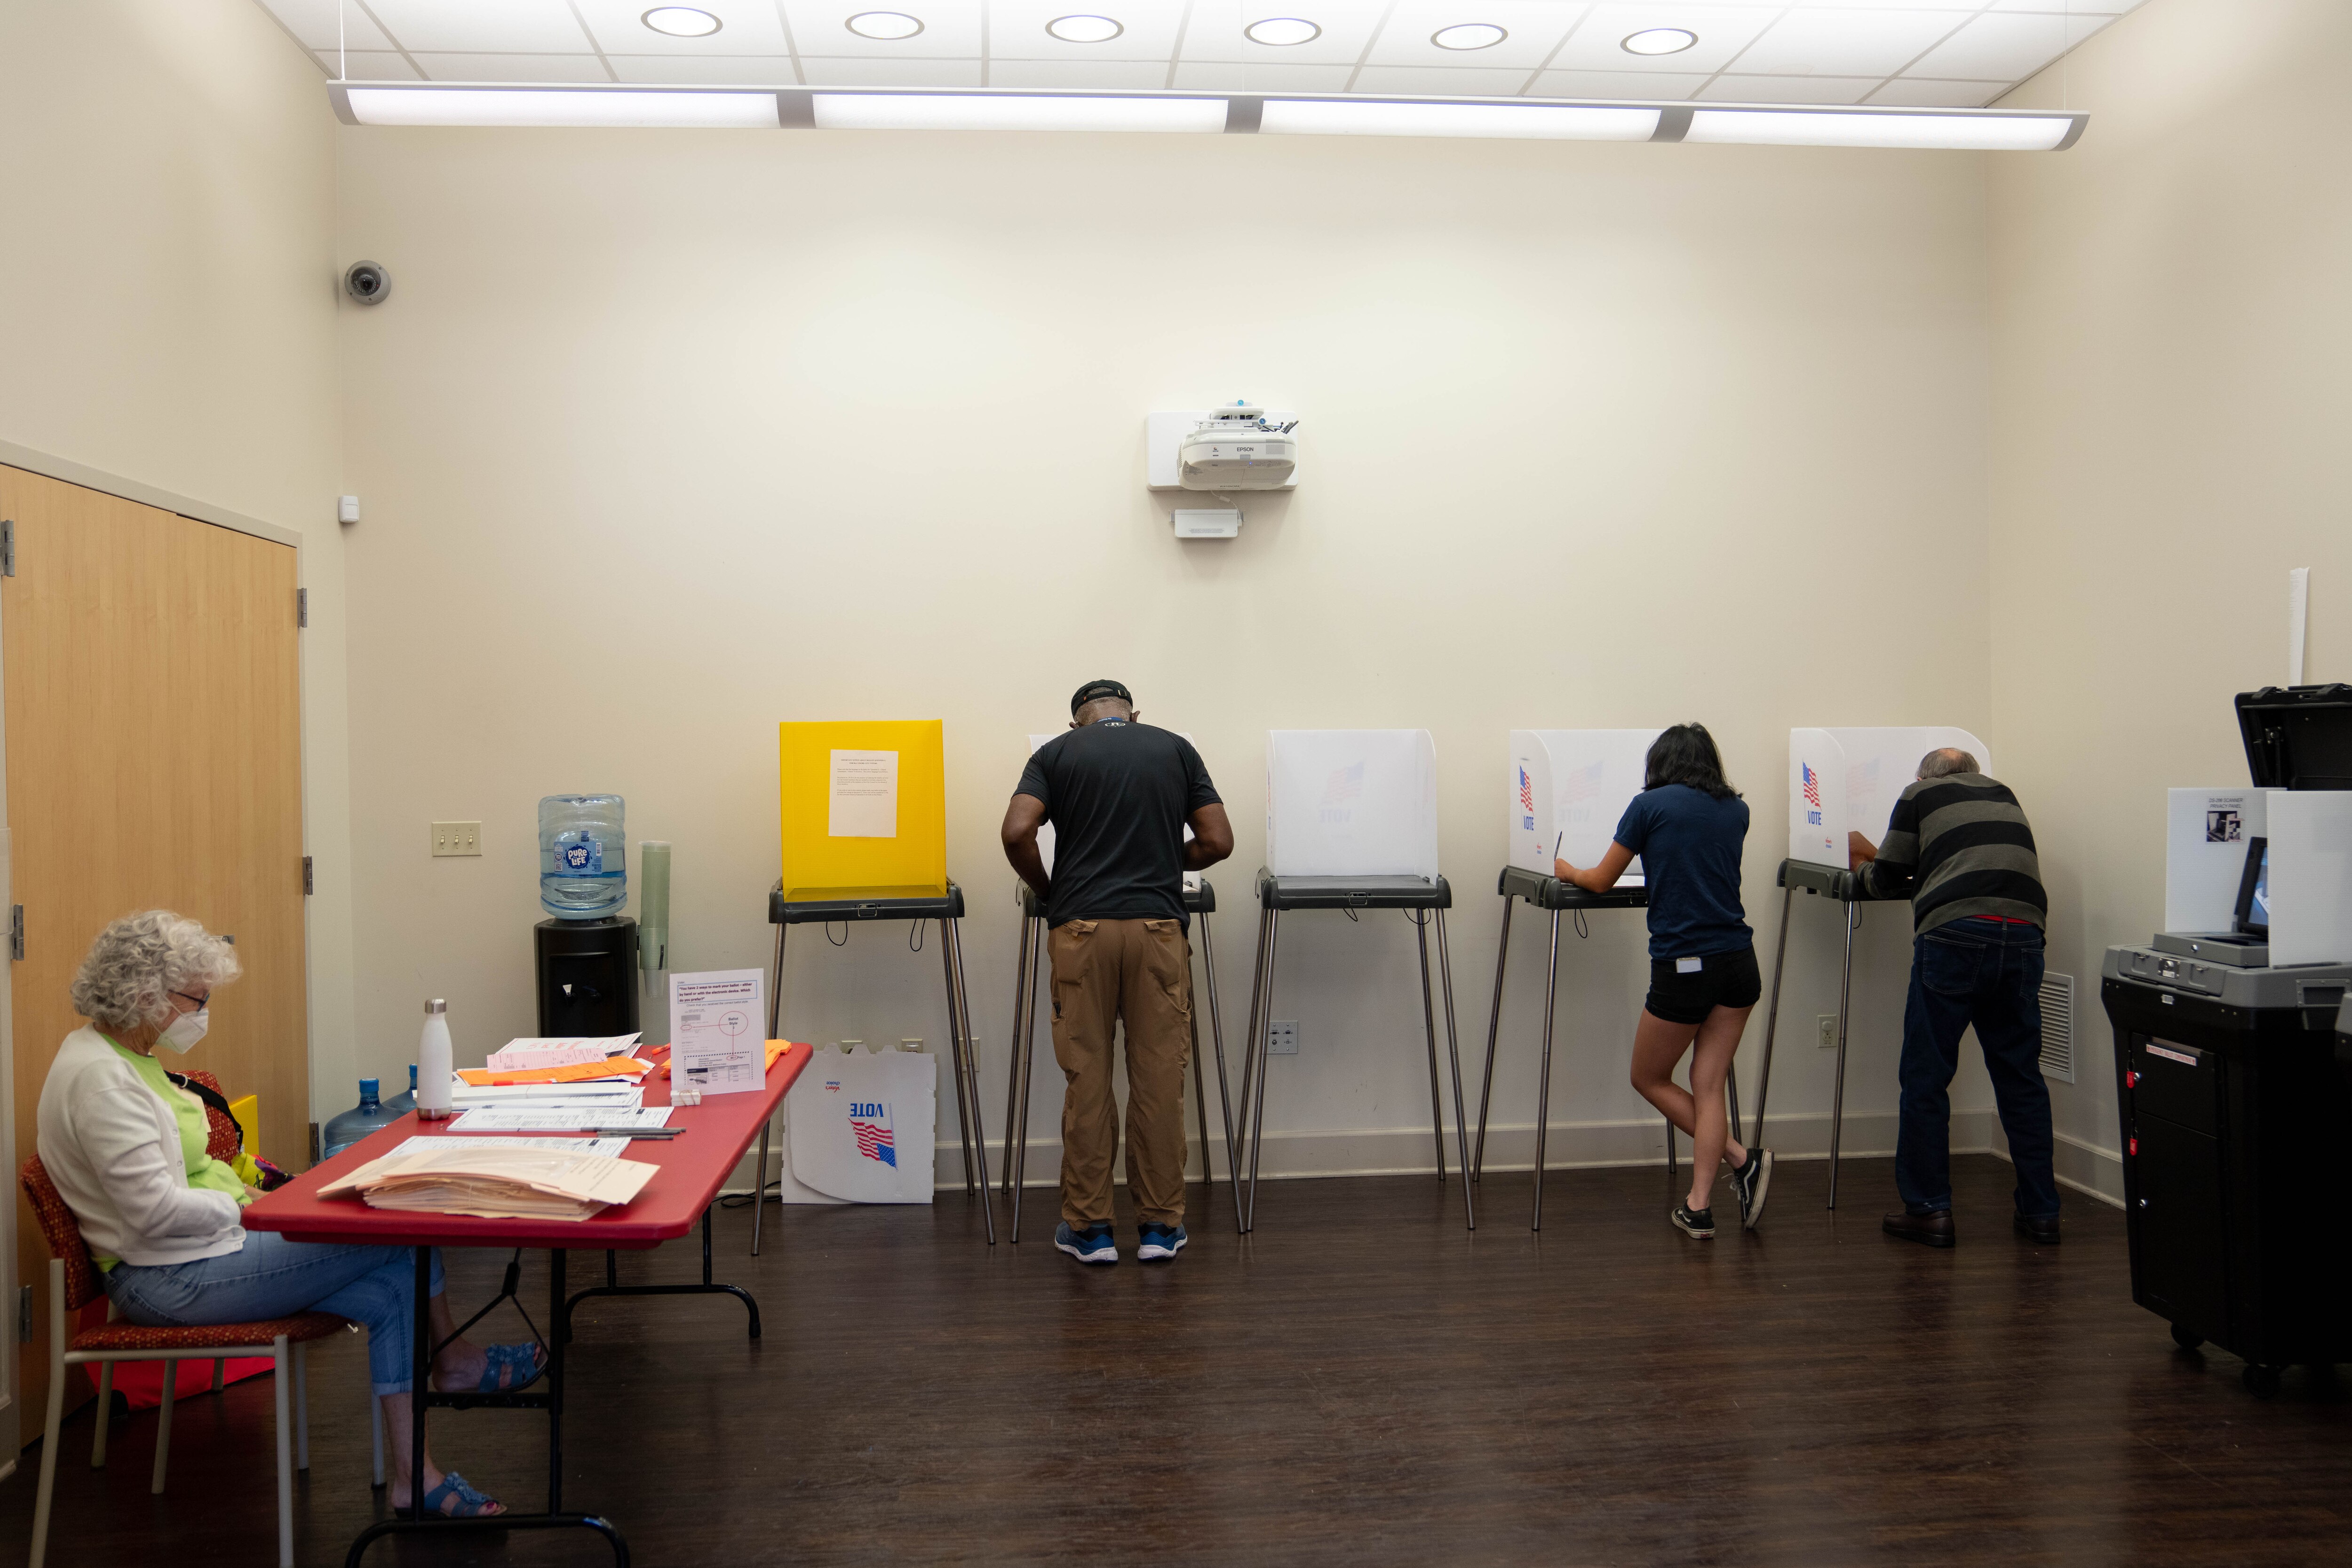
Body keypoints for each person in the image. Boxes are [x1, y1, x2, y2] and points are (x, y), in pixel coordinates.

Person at [37, 911, 541, 1519]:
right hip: (169, 1277)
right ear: (147, 996)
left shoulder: (123, 1055)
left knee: (390, 1286)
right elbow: (154, 1214)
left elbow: (192, 1178)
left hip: (199, 1250)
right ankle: (456, 1363)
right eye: (196, 999)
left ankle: (417, 1478)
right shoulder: (103, 1082)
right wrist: (264, 1211)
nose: (202, 1012)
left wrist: (268, 1198)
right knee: (404, 1229)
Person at [1001, 680, 1234, 1266]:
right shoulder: (1175, 748)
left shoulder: (1055, 753)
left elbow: (1015, 831)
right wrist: (1163, 855)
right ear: (1133, 713)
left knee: (1088, 1080)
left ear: (1077, 720)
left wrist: (1049, 892)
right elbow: (1218, 841)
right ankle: (1159, 1228)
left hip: (1080, 933)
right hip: (1157, 931)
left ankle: (1091, 1231)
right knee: (1159, 1082)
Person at [1555, 724, 1772, 1238]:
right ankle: (1700, 1203)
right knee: (1708, 1084)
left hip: (1684, 965)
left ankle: (1741, 1159)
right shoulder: (1736, 810)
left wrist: (1565, 867)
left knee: (1648, 1077)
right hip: (1739, 962)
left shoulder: (1648, 806)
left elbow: (1601, 879)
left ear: (1661, 763)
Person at [1849, 749, 2057, 1248]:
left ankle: (1928, 1210)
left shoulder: (1918, 793)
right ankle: (2041, 1211)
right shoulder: (2003, 794)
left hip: (1955, 935)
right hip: (2024, 935)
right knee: (2020, 1079)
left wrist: (1858, 865)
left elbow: (1886, 877)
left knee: (1925, 1076)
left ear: (1922, 775)